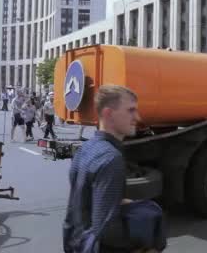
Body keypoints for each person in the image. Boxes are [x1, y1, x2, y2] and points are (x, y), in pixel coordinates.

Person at [63, 85, 165, 253]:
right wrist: (146, 245)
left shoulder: (85, 149)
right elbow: (107, 231)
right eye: (130, 111)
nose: (137, 117)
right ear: (108, 114)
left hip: (76, 243)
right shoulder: (111, 158)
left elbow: (82, 202)